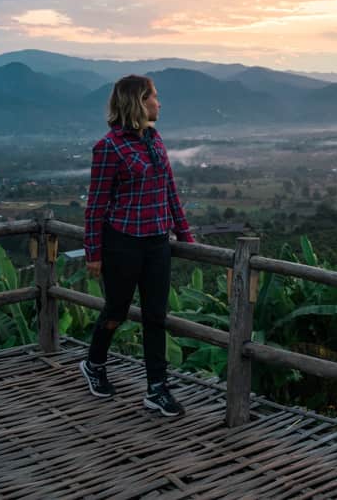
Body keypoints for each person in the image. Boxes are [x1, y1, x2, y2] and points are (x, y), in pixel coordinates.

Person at [81, 74, 194, 417]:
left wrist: (184, 234)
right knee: (116, 311)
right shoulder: (109, 148)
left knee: (156, 317)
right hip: (123, 242)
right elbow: (96, 204)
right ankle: (94, 364)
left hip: (157, 241)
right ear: (138, 102)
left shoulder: (155, 140)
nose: (159, 103)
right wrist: (94, 252)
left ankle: (156, 388)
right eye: (154, 97)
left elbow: (169, 190)